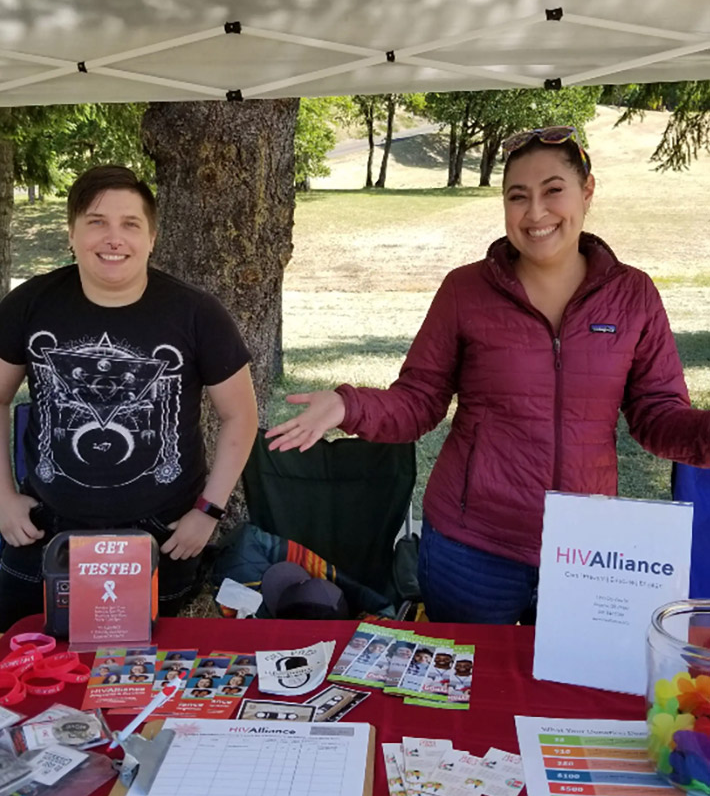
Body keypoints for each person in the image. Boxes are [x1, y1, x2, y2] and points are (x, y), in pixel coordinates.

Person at [265, 126, 710, 624]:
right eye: (517, 196)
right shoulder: (465, 290)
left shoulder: (633, 295)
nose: (535, 212)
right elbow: (420, 400)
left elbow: (656, 415)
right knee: (470, 691)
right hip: (470, 546)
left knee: (569, 695)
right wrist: (351, 406)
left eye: (553, 191)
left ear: (586, 192)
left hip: (587, 550)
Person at [0, 165, 258, 629]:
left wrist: (209, 511)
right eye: (96, 221)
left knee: (145, 677)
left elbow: (240, 415)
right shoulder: (29, 303)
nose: (113, 238)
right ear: (72, 233)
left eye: (130, 224)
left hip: (162, 533)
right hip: (44, 528)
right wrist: (1, 496)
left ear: (152, 237)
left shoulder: (197, 313)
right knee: (27, 660)